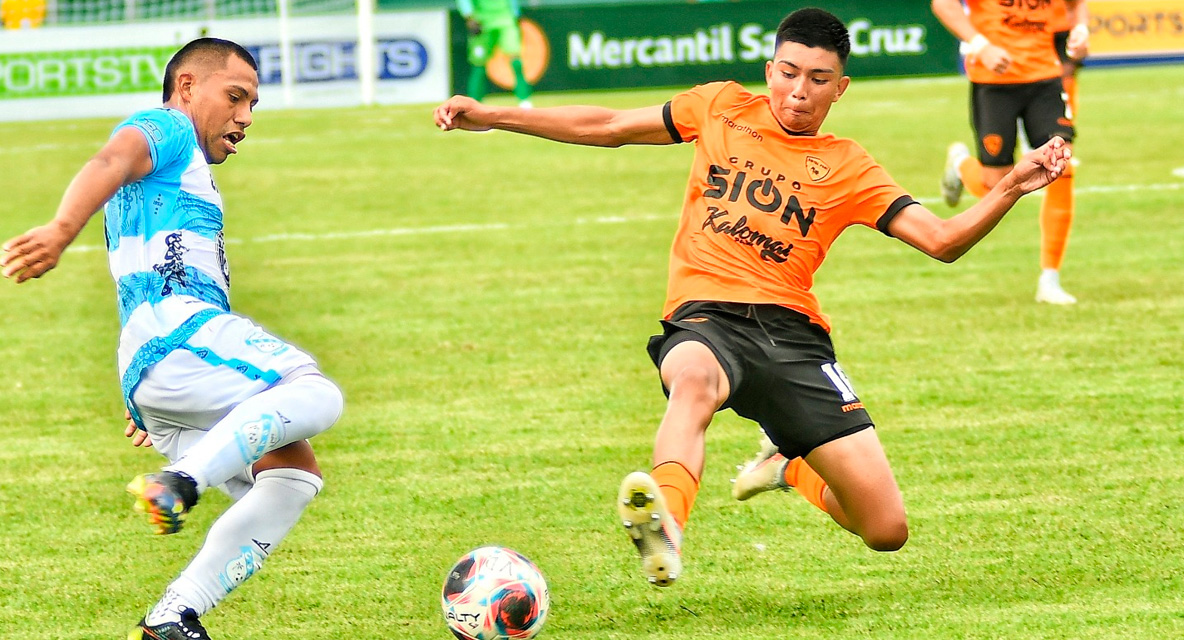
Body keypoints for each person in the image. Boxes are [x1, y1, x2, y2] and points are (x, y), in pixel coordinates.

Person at [434, 8, 1069, 587]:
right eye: (789, 73)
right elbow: (607, 124)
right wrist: (493, 115)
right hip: (706, 317)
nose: (799, 91)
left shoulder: (848, 164)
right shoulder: (720, 107)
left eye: (819, 79)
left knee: (886, 529)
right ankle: (666, 528)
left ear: (840, 87)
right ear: (769, 70)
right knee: (693, 382)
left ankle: (787, 466)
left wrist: (1012, 184)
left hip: (795, 338)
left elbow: (942, 240)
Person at [0, 38, 344, 639]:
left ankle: (170, 618)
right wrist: (59, 229)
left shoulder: (181, 175)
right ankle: (180, 483)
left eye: (253, 104)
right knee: (315, 394)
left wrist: (153, 389)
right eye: (235, 97)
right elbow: (112, 158)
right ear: (187, 88)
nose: (245, 117)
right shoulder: (169, 128)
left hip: (159, 364)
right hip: (179, 335)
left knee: (293, 476)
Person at [933, 0, 1087, 305]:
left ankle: (1050, 279)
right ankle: (962, 165)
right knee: (994, 185)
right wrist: (980, 45)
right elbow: (943, 4)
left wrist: (1081, 29)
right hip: (994, 82)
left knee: (1061, 165)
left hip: (1045, 78)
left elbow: (1076, 4)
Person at [457, 0, 533, 108]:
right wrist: (469, 16)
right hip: (482, 23)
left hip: (506, 20)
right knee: (478, 65)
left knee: (516, 60)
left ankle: (525, 100)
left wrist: (516, 13)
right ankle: (474, 103)